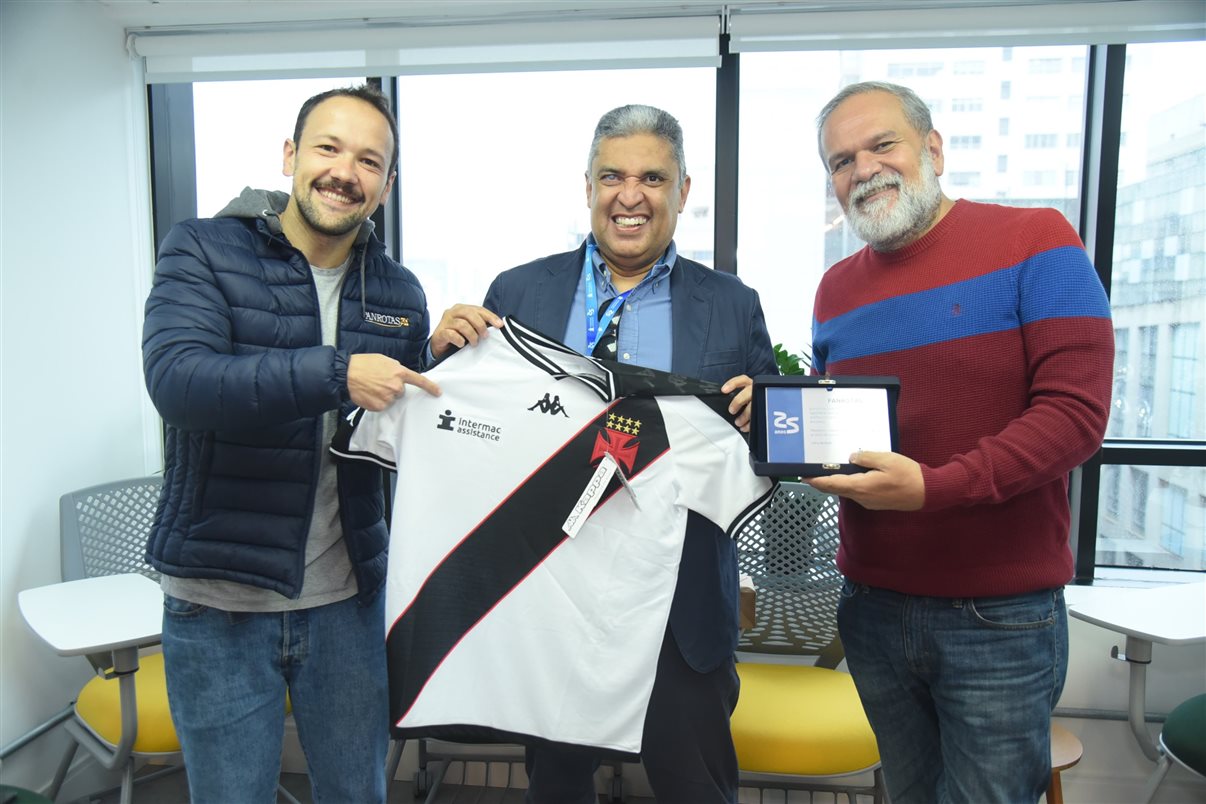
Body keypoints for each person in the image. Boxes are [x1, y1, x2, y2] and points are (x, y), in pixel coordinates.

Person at [141, 84, 489, 803]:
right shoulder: (203, 248)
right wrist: (336, 373)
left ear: (386, 186)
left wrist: (443, 362)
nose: (345, 172)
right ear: (291, 155)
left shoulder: (397, 291)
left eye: (369, 161)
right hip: (219, 603)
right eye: (328, 148)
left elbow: (393, 431)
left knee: (358, 793)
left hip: (348, 605)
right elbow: (181, 382)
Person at [805, 81, 1114, 803]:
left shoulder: (1037, 240)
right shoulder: (834, 290)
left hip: (998, 619)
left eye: (882, 145)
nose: (863, 170)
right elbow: (840, 426)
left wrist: (933, 488)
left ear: (933, 149)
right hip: (872, 607)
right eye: (842, 161)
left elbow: (1075, 417)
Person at [476, 103, 777, 804]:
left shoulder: (733, 305)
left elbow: (765, 451)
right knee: (556, 789)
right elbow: (486, 432)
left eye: (652, 177)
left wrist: (764, 415)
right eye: (612, 175)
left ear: (682, 191)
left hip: (682, 606)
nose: (630, 195)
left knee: (695, 788)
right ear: (587, 186)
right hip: (551, 600)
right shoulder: (517, 292)